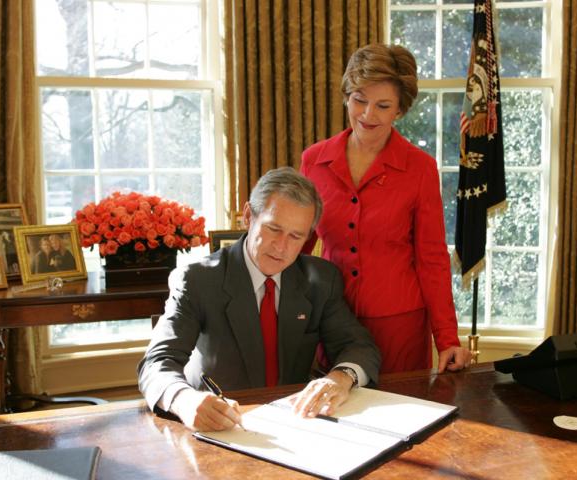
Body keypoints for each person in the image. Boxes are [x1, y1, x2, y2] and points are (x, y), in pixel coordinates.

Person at [138, 167, 381, 432]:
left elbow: (359, 346)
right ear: (247, 217)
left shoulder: (321, 279)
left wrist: (339, 378)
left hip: (296, 423)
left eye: (295, 236)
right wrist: (184, 400)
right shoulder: (197, 280)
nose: (281, 247)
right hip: (222, 424)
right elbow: (157, 363)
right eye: (273, 228)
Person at [300, 43, 471, 374]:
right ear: (347, 96)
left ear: (400, 110)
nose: (367, 115)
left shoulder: (420, 169)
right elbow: (298, 245)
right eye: (359, 100)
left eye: (382, 105)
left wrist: (447, 338)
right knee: (334, 414)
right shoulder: (314, 161)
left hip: (400, 325)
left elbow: (432, 259)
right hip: (331, 318)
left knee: (400, 415)